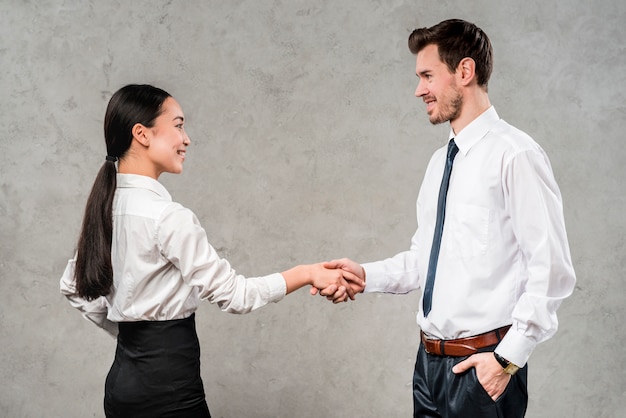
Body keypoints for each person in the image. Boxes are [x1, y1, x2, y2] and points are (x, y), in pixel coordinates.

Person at [319, 19, 576, 417]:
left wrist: (507, 360)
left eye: (427, 76)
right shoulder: (440, 163)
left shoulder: (516, 155)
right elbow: (425, 260)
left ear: (465, 72)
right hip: (428, 369)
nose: (418, 89)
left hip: (482, 369)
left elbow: (552, 271)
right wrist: (364, 276)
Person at [59, 84, 361, 418]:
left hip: (121, 387)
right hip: (168, 394)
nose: (186, 139)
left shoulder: (106, 206)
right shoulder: (168, 217)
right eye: (178, 125)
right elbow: (236, 296)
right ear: (142, 134)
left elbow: (72, 286)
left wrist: (130, 334)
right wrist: (306, 273)